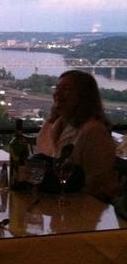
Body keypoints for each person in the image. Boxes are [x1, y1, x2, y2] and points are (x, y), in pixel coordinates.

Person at [36, 70, 118, 201]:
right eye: (57, 88)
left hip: (85, 205)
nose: (57, 94)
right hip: (55, 200)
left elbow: (97, 182)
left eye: (66, 89)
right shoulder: (53, 124)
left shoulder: (94, 131)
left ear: (84, 97)